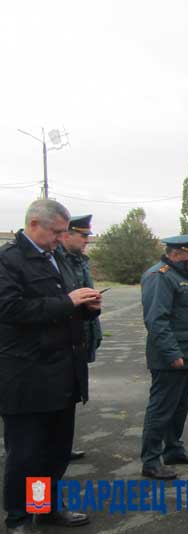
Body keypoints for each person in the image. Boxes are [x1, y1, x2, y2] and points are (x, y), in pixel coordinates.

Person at [0, 199, 101, 530]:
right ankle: (18, 518)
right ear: (33, 225)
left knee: (54, 453)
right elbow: (11, 309)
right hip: (27, 376)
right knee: (26, 454)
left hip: (63, 373)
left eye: (63, 232)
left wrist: (87, 305)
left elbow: (65, 302)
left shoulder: (56, 257)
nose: (61, 238)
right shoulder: (9, 261)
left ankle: (44, 508)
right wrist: (67, 302)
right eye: (56, 232)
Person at [140, 234, 188, 480]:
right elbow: (157, 321)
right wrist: (172, 353)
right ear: (176, 253)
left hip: (185, 353)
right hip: (170, 357)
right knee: (161, 409)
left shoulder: (182, 276)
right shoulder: (160, 276)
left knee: (179, 407)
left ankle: (173, 450)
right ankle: (150, 461)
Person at [58, 214, 104, 462]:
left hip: (80, 336)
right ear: (67, 234)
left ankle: (63, 445)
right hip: (57, 345)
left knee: (70, 397)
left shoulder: (79, 262)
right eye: (84, 235)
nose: (87, 240)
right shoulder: (55, 261)